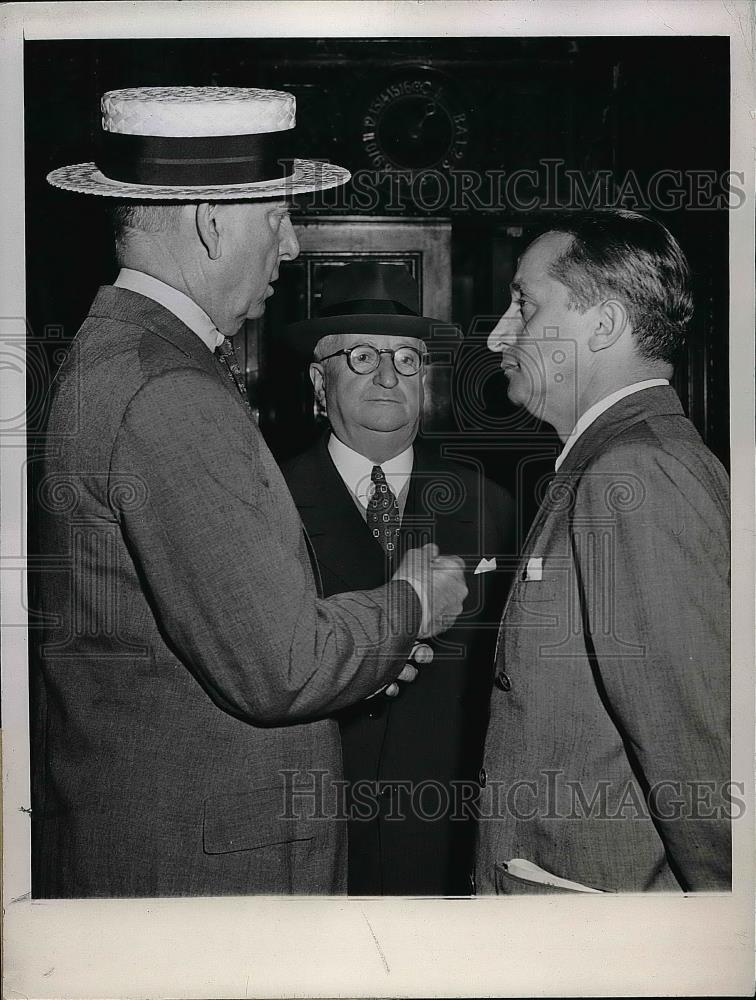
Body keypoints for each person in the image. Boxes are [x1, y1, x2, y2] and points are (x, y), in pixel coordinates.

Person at [31, 86, 467, 898]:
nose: (293, 247)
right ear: (211, 220)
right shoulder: (170, 390)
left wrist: (362, 651)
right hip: (206, 874)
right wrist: (412, 606)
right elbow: (283, 669)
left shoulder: (117, 359)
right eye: (279, 220)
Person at [476, 209, 731, 894]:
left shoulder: (634, 474)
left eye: (524, 303)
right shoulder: (612, 459)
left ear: (603, 323)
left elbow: (702, 760)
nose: (501, 332)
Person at [283, 263, 515, 895]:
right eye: (362, 357)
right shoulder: (267, 500)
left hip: (449, 837)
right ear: (318, 379)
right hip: (312, 835)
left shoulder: (490, 506)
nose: (388, 376)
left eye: (407, 360)